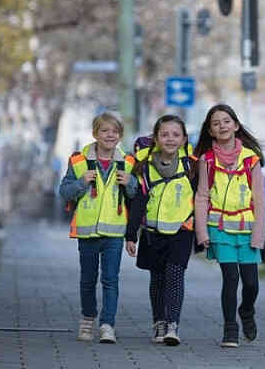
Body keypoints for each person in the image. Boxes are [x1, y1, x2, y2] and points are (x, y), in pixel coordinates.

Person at [59, 111, 137, 343]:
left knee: (111, 279)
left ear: (120, 136)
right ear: (95, 134)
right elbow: (64, 192)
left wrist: (130, 183)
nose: (109, 135)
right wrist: (82, 182)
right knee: (87, 279)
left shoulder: (129, 162)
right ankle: (87, 320)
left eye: (114, 131)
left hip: (114, 232)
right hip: (88, 231)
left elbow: (137, 196)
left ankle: (107, 325)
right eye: (104, 130)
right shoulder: (79, 161)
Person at [194, 104, 265, 348]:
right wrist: (202, 233)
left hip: (247, 229)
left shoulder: (250, 160)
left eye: (226, 121)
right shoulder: (207, 161)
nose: (222, 126)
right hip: (220, 229)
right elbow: (202, 197)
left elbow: (259, 200)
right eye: (216, 123)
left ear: (235, 125)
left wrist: (258, 236)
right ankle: (230, 329)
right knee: (231, 278)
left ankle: (246, 311)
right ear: (211, 131)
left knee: (251, 284)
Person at [125, 115, 197, 346]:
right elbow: (138, 202)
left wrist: (200, 229)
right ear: (155, 138)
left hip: (181, 231)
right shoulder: (145, 167)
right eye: (165, 134)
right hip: (152, 232)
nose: (170, 139)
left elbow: (201, 198)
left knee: (175, 276)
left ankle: (172, 325)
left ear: (184, 139)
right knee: (157, 279)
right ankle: (158, 321)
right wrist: (131, 234)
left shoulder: (191, 166)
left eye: (176, 135)